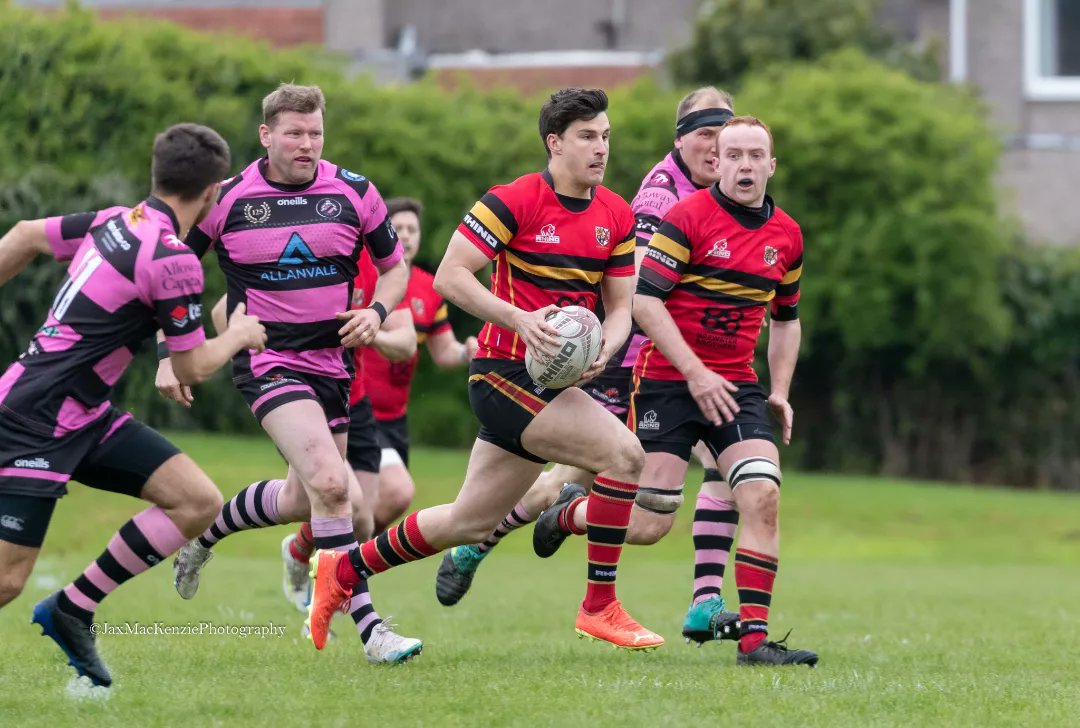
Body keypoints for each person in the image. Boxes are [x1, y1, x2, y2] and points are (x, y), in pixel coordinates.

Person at [305, 88, 663, 652]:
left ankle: (343, 571)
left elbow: (621, 307)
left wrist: (608, 348)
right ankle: (600, 605)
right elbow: (451, 276)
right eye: (588, 137)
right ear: (555, 143)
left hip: (549, 380)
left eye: (606, 136)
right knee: (624, 455)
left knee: (468, 522)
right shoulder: (513, 199)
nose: (601, 148)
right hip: (503, 373)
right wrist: (519, 320)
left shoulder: (616, 213)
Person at [436, 88, 742, 645]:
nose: (717, 146)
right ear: (682, 137)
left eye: (728, 135)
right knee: (644, 504)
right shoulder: (656, 197)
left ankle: (506, 534)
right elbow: (644, 297)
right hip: (623, 366)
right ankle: (643, 595)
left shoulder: (723, 196)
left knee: (640, 501)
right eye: (706, 133)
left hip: (672, 366)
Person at [158, 83, 421, 664]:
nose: (306, 144)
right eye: (294, 133)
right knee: (335, 488)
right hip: (269, 363)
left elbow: (394, 269)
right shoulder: (228, 199)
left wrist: (377, 313)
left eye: (315, 133)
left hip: (334, 366)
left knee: (303, 500)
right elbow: (166, 263)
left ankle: (204, 537)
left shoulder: (354, 192)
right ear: (266, 135)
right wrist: (165, 351)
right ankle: (372, 631)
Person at [0, 123, 267, 687]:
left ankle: (72, 609)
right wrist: (240, 333)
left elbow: (24, 234)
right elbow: (193, 365)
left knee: (196, 501)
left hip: (85, 414)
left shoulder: (115, 221)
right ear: (214, 190)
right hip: (37, 420)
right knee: (6, 580)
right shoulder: (173, 258)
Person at [611, 116, 818, 665]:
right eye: (734, 155)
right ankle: (567, 513)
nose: (745, 165)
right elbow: (644, 301)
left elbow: (787, 319)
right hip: (667, 383)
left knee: (763, 494)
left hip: (736, 387)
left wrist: (780, 390)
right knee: (651, 523)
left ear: (771, 165)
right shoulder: (686, 218)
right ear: (717, 163)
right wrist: (695, 373)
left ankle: (754, 642)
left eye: (756, 155)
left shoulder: (788, 236)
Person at [279, 198, 477, 612]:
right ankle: (313, 558)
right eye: (398, 228)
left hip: (394, 421)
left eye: (412, 230)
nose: (404, 236)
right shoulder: (366, 275)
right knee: (378, 497)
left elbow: (440, 353)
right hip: (353, 409)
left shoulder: (424, 285)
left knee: (371, 514)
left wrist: (466, 353)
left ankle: (330, 573)